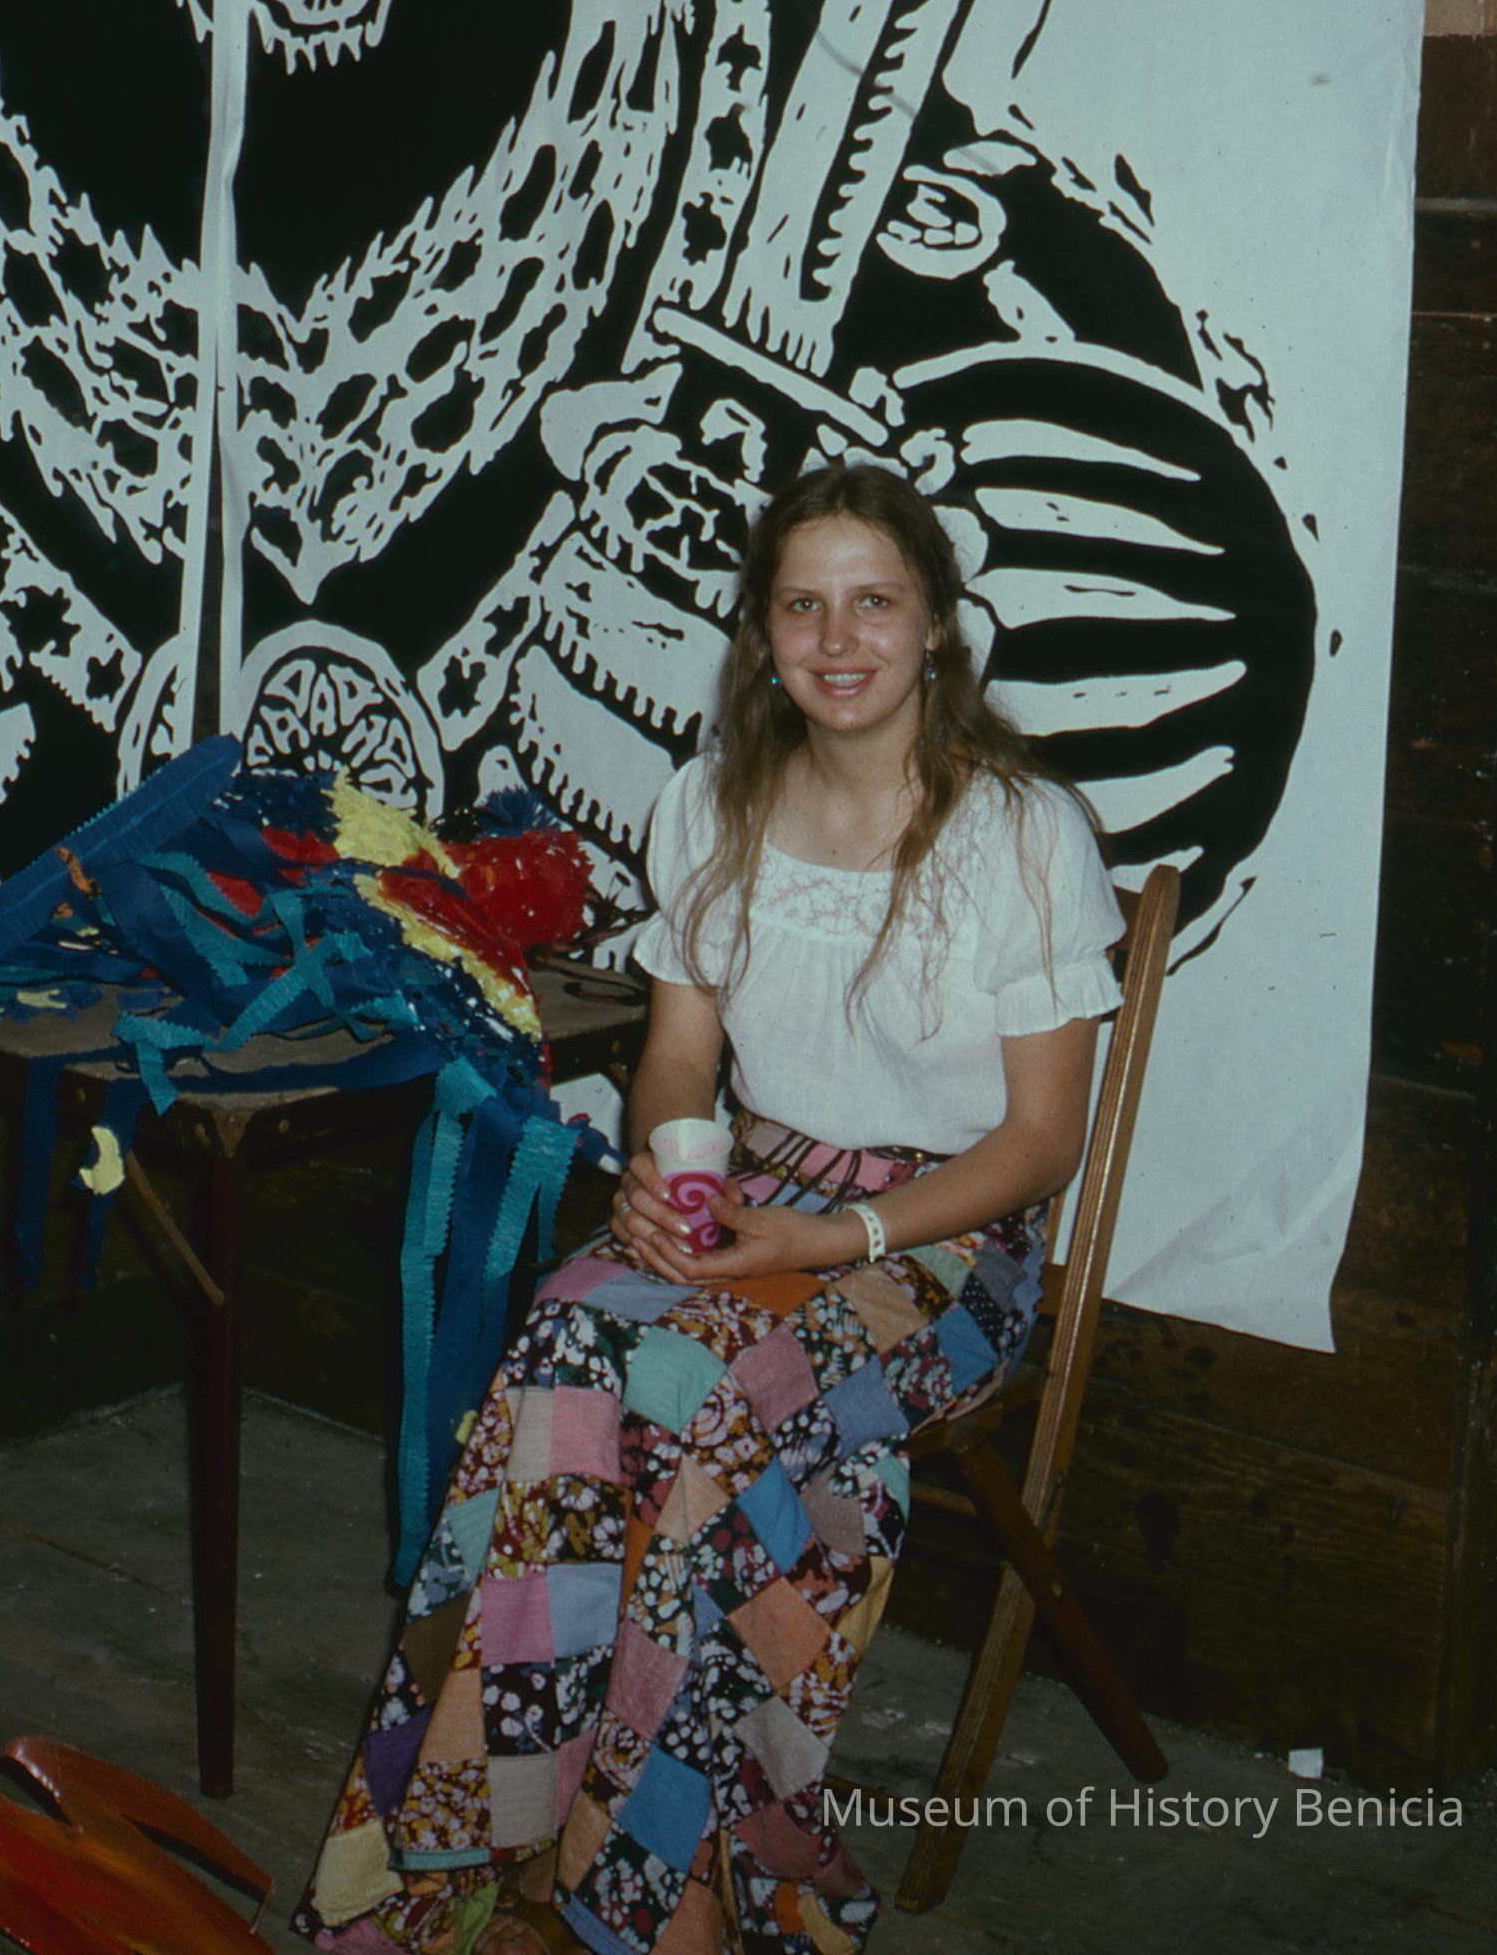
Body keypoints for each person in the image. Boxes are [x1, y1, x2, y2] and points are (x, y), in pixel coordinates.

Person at [296, 456, 1124, 1955]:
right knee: (563, 1349)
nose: (838, 640)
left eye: (875, 603)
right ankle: (499, 1844)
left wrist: (828, 1239)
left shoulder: (1023, 833)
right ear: (761, 634)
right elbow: (680, 1056)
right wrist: (674, 1182)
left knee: (713, 1409)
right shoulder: (711, 800)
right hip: (757, 1187)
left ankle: (665, 1896)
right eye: (802, 607)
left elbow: (1043, 1141)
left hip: (946, 1242)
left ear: (938, 624)